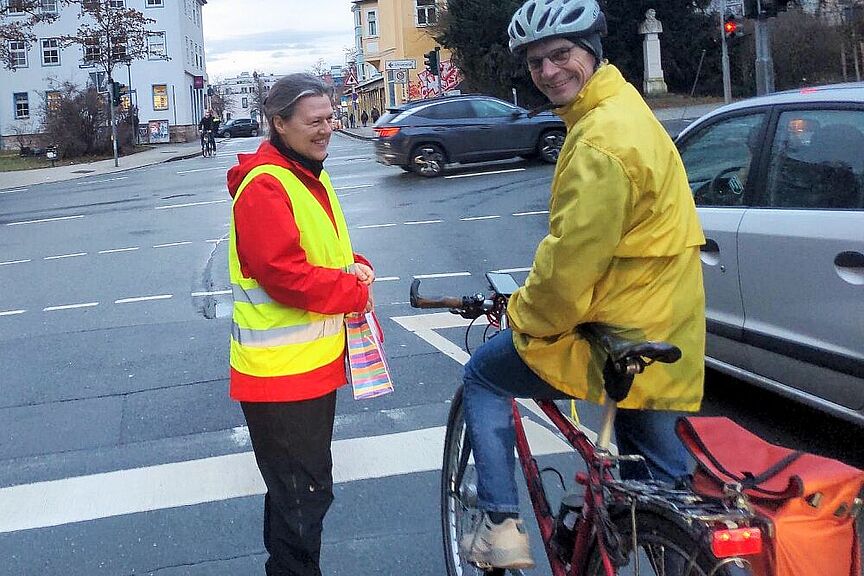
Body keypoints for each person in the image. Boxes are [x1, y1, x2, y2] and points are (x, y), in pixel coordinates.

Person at [458, 0, 706, 570]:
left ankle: (500, 527)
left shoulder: (599, 141)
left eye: (561, 54)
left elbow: (570, 268)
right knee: (666, 488)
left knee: (483, 376)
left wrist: (523, 312)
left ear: (591, 51)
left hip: (617, 327)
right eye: (536, 62)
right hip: (665, 324)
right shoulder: (623, 107)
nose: (549, 72)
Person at [226, 73, 375, 576]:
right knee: (302, 498)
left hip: (305, 368)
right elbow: (282, 274)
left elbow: (316, 250)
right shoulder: (267, 186)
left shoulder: (306, 172)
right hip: (281, 377)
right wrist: (352, 291)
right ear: (279, 123)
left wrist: (352, 264)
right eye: (314, 121)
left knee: (297, 496)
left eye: (330, 117)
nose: (327, 128)